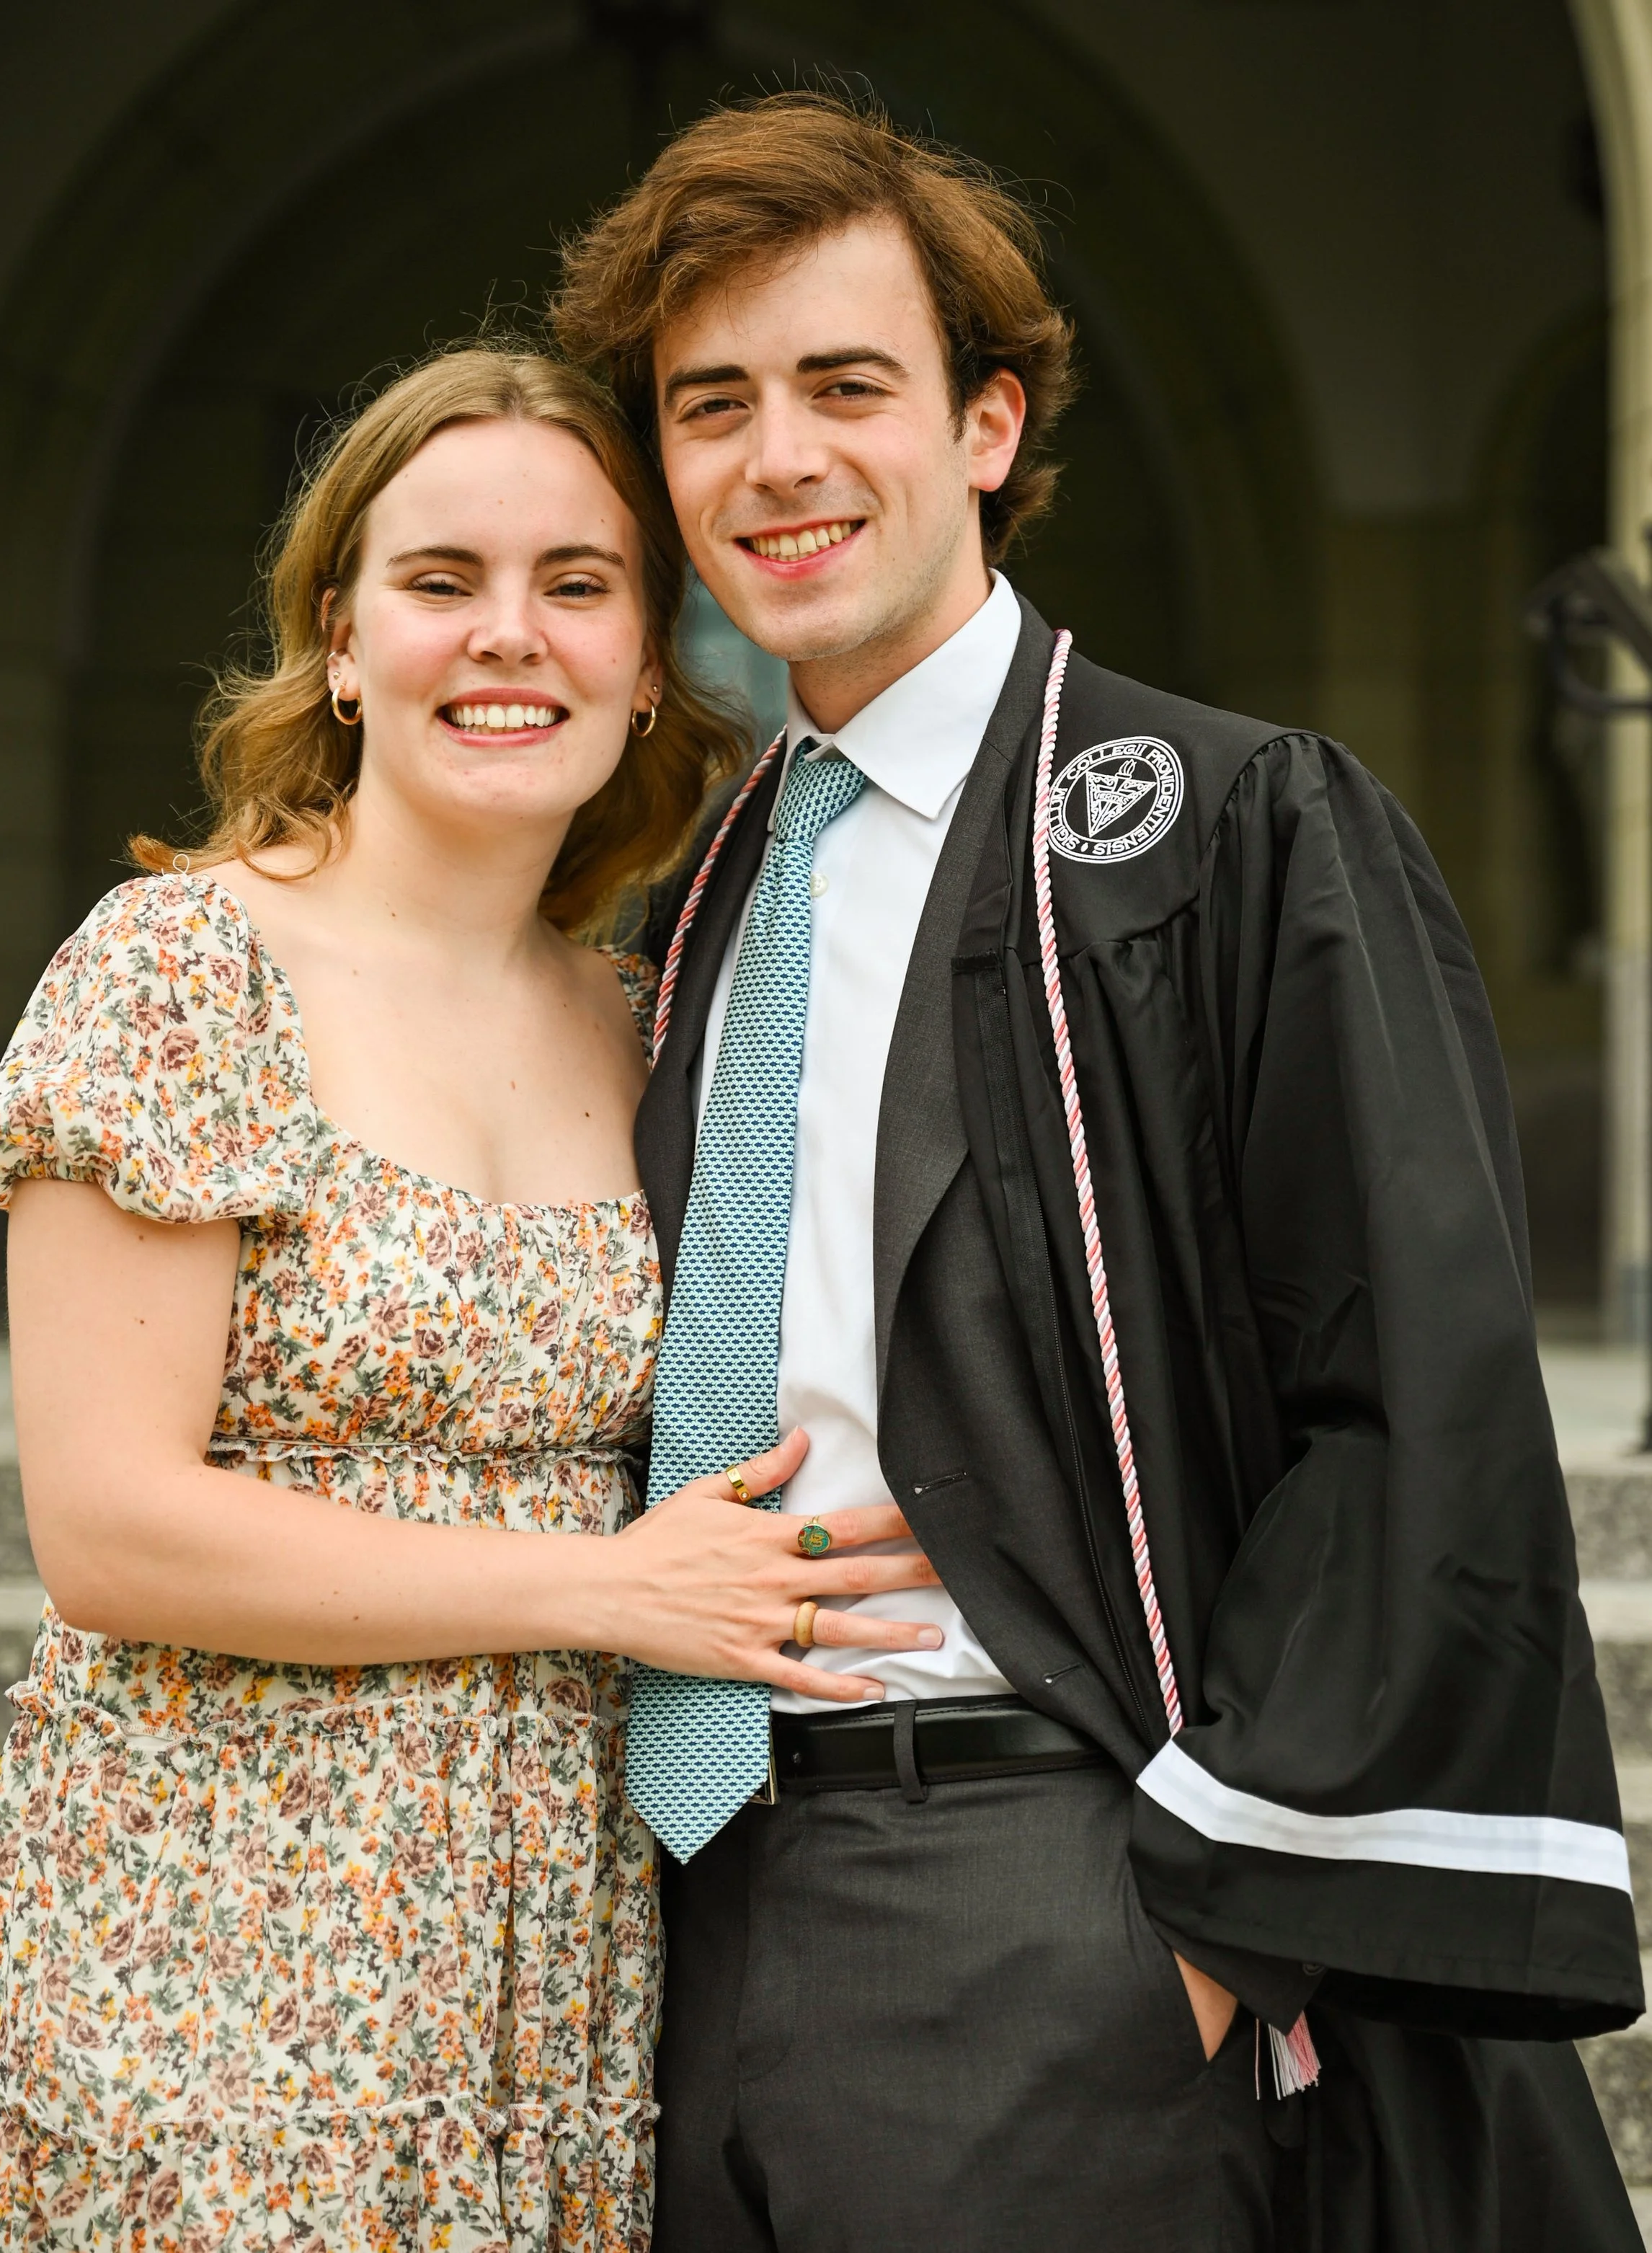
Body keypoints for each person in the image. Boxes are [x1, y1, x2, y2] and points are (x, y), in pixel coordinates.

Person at [554, 92, 1646, 2251]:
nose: (777, 459)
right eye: (711, 406)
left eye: (845, 385)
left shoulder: (1230, 834)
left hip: (1046, 1890)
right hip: (682, 1903)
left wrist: (1213, 1918)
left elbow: (1408, 1395)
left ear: (985, 424)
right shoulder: (688, 902)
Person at [0, 343, 941, 2253]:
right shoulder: (180, 968)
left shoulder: (654, 1026)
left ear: (652, 663)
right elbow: (109, 1524)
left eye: (576, 585)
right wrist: (597, 1583)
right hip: (207, 1927)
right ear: (338, 638)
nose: (508, 638)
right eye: (441, 581)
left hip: (546, 1943)